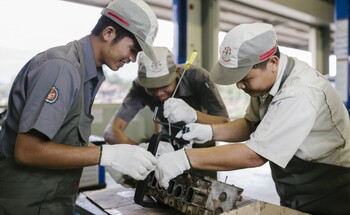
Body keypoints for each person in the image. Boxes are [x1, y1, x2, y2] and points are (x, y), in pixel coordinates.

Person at [154, 23, 350, 215]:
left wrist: (185, 158)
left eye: (245, 78)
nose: (239, 86)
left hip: (331, 186)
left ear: (272, 63)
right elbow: (250, 124)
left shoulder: (300, 93)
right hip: (296, 184)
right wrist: (209, 131)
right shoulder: (268, 85)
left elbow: (255, 155)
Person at [0, 0, 159, 214]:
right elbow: (27, 151)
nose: (132, 59)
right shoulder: (62, 69)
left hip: (53, 202)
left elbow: (65, 142)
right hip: (25, 205)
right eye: (133, 49)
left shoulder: (88, 74)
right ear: (109, 32)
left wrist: (116, 158)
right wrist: (106, 155)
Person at [103, 46, 229, 148]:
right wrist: (142, 151)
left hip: (203, 148)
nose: (158, 93)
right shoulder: (139, 86)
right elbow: (111, 132)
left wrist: (194, 115)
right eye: (151, 88)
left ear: (177, 73)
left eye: (164, 85)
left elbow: (224, 123)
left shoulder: (197, 77)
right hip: (167, 148)